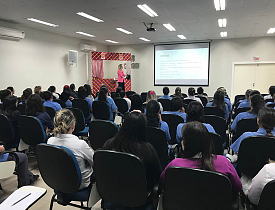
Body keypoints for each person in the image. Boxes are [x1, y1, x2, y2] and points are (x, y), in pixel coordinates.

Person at [160, 121, 242, 194]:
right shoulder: (224, 163)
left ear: (185, 144)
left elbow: (162, 183)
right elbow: (238, 187)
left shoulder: (174, 165)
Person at [102, 111, 162, 192]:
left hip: (112, 194)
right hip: (139, 198)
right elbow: (158, 176)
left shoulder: (108, 144)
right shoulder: (148, 150)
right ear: (143, 129)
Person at [48, 109, 94, 190]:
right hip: (80, 184)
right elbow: (95, 162)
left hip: (58, 183)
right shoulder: (80, 144)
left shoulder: (50, 141)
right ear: (73, 126)